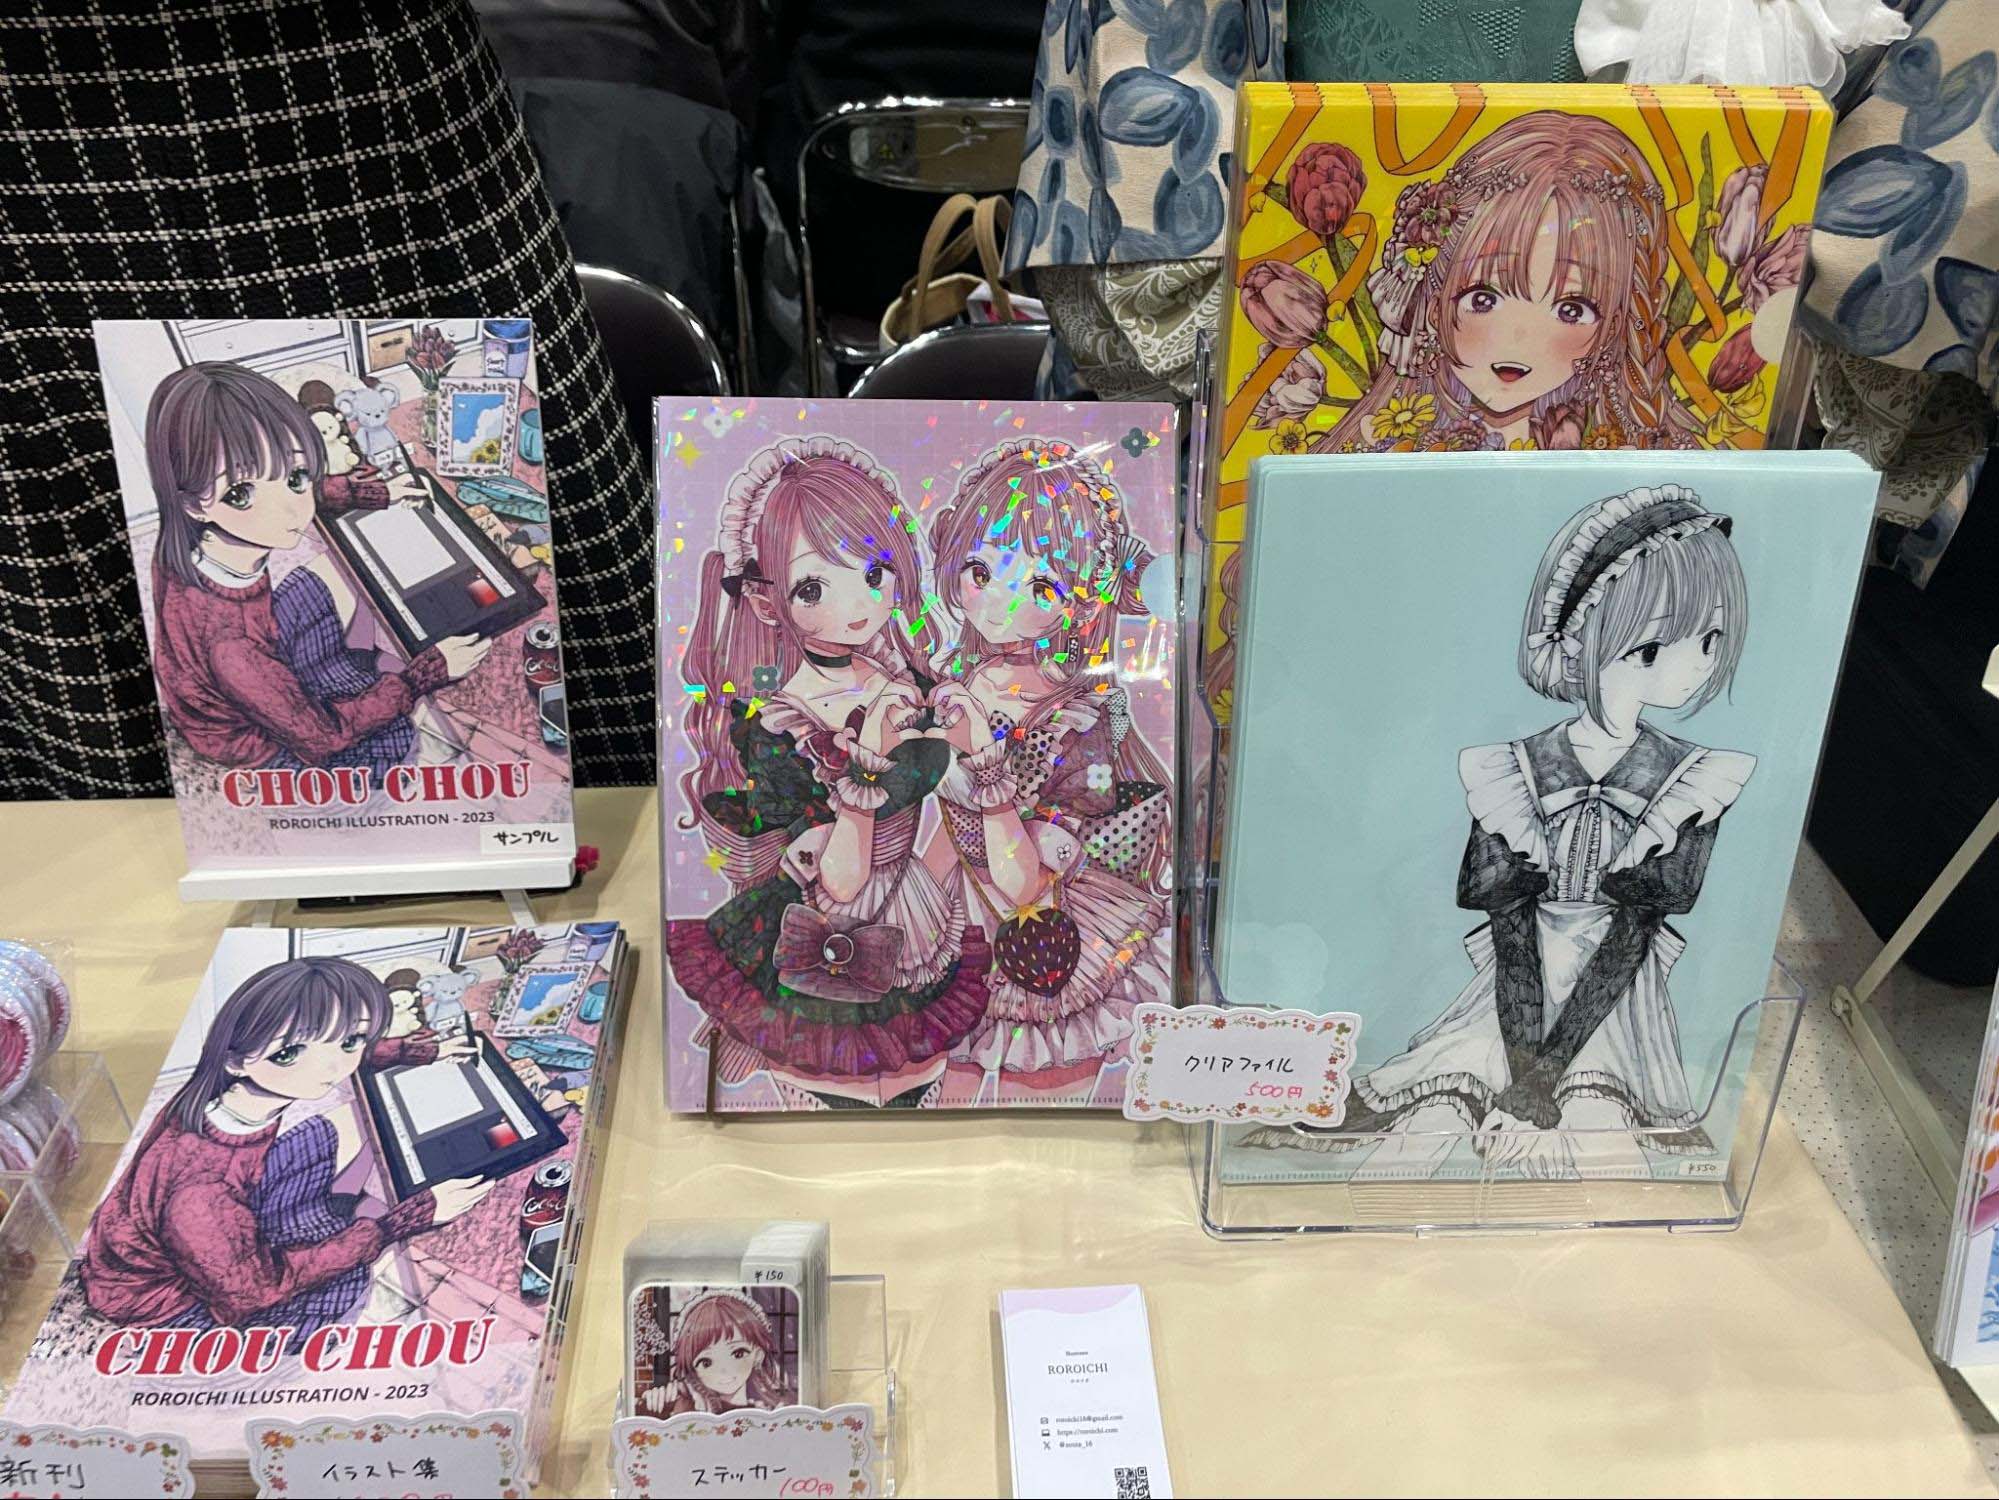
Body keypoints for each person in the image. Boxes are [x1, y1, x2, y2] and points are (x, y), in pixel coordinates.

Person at [1255, 485, 1756, 1179]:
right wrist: (1526, 1074)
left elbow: (1632, 934)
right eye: (1661, 642)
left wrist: (1540, 1083)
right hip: (1509, 993)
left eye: (1712, 638)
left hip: (1617, 1003)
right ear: (1592, 638)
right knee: (1434, 1116)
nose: (1700, 661)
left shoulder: (1696, 779)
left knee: (1598, 1132)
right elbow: (1509, 924)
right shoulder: (1509, 771)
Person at [663, 437, 988, 1108]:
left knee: (915, 1085)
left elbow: (960, 810)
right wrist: (868, 757)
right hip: (818, 922)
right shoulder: (778, 721)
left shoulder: (914, 681)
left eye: (875, 571)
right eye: (813, 587)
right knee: (830, 1088)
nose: (857, 604)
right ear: (766, 602)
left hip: (915, 909)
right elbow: (839, 878)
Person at [921, 438, 1172, 1104]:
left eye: (1037, 587)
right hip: (960, 915)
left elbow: (1029, 878)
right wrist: (916, 910)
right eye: (981, 571)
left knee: (1041, 1082)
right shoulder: (950, 688)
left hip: (1045, 920)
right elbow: (946, 828)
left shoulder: (1078, 718)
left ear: (1080, 603)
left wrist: (985, 766)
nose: (1000, 603)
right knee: (949, 1087)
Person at [78, 957, 489, 1334]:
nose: (332, 1066)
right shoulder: (202, 1192)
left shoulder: (221, 1088)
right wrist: (394, 1225)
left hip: (171, 1239)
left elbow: (330, 1049)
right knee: (347, 1285)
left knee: (324, 1136)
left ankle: (330, 1224)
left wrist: (419, 1051)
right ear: (235, 1058)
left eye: (350, 1041)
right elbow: (253, 1294)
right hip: (163, 1301)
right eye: (290, 1053)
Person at [143, 361, 490, 776]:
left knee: (340, 573)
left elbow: (283, 486)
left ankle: (363, 672)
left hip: (231, 669)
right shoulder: (231, 646)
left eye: (297, 476)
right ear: (190, 502)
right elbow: (324, 740)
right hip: (261, 743)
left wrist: (377, 493)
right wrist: (420, 678)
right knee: (396, 738)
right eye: (239, 494)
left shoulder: (186, 534)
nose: (293, 509)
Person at [1307, 111, 1703, 454]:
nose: (1518, 339)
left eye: (1571, 309)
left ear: (1613, 327)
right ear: (1433, 302)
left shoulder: (1638, 453)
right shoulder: (1379, 441)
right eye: (1483, 299)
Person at [638, 1289, 793, 1417]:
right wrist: (659, 1402)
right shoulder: (692, 1408)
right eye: (706, 1362)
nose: (723, 1370)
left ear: (758, 1355)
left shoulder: (773, 1411)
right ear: (692, 1368)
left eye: (738, 1353)